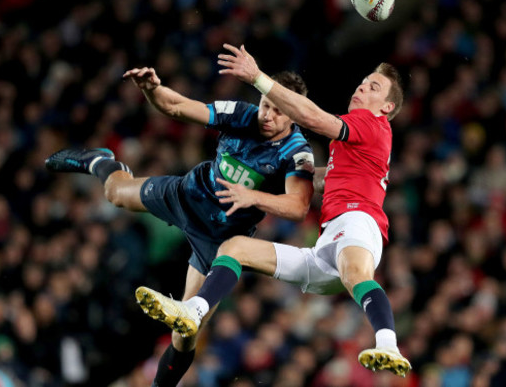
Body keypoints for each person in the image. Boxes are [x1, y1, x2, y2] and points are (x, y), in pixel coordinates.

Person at [136, 44, 412, 377]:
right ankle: (193, 310)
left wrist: (257, 78)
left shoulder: (371, 125)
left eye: (374, 87)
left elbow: (311, 117)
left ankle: (387, 344)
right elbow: (325, 179)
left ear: (388, 107)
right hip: (326, 249)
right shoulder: (356, 141)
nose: (362, 87)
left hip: (357, 224)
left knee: (356, 273)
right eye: (364, 81)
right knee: (233, 248)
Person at [45, 66, 315, 387]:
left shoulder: (296, 152)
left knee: (185, 333)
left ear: (295, 115)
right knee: (114, 193)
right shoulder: (242, 114)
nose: (268, 116)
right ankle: (102, 161)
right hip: (187, 195)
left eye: (280, 112)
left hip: (219, 241)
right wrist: (151, 89)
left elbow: (298, 206)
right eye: (266, 105)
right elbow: (177, 106)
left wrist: (252, 196)